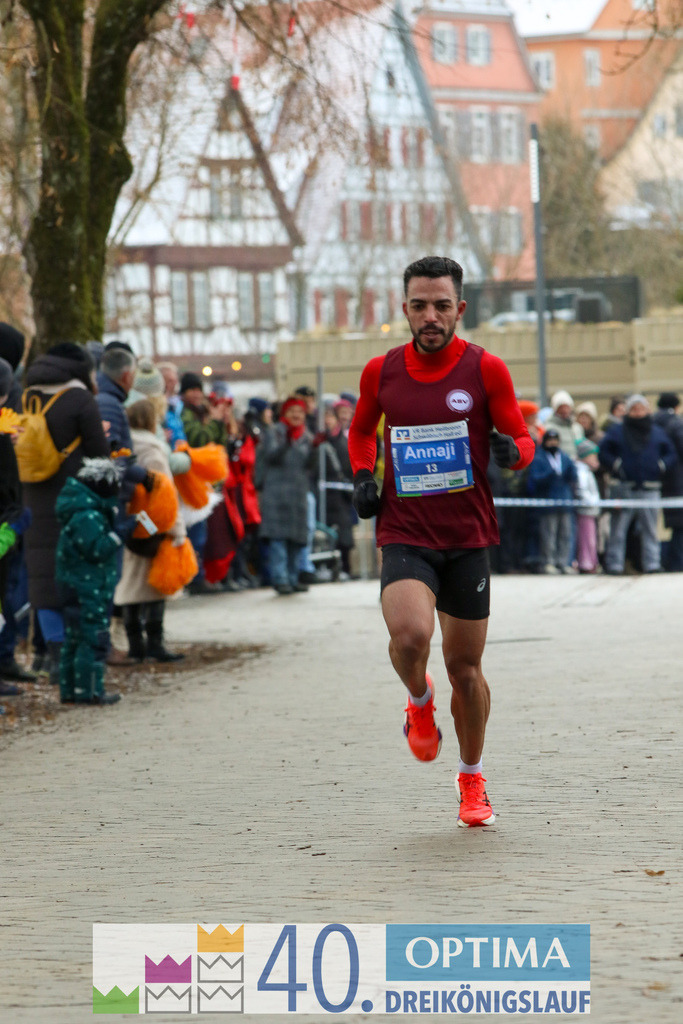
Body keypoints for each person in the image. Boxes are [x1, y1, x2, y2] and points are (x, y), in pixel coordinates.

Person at [349, 256, 534, 828]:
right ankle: (419, 702)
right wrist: (364, 474)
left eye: (442, 305)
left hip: (468, 535)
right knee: (409, 638)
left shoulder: (486, 370)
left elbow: (522, 438)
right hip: (405, 532)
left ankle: (472, 777)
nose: (431, 316)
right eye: (419, 305)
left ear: (460, 308)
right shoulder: (381, 372)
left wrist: (513, 454)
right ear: (404, 308)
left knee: (466, 670)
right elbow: (360, 432)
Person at [21, 343, 110, 685]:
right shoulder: (80, 400)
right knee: (76, 576)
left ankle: (54, 656)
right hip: (73, 499)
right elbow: (99, 459)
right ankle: (75, 656)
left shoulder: (27, 396)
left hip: (32, 497)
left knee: (41, 577)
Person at [115, 400, 186, 662]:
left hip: (131, 521)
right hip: (154, 524)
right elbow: (167, 493)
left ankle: (135, 646)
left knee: (131, 585)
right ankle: (155, 644)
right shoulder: (155, 450)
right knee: (156, 586)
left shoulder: (125, 446)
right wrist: (178, 531)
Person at [55, 458, 123, 704]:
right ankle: (90, 692)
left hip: (77, 584)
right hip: (86, 586)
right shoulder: (87, 515)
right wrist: (118, 536)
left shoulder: (82, 509)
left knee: (75, 637)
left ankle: (70, 692)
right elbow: (96, 549)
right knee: (91, 638)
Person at [599, 394, 677, 575]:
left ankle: (652, 564)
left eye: (641, 408)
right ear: (628, 411)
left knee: (650, 529)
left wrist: (661, 466)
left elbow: (670, 454)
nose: (638, 412)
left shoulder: (657, 432)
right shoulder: (617, 431)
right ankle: (615, 564)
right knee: (618, 530)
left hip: (650, 488)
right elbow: (604, 452)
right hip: (624, 488)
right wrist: (617, 465)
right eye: (634, 409)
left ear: (647, 410)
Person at [256, 396, 315, 595]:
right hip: (276, 494)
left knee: (296, 540)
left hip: (298, 494)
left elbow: (310, 465)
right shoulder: (274, 433)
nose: (296, 415)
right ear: (284, 414)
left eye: (299, 412)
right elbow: (271, 456)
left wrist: (318, 448)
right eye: (292, 412)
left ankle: (292, 577)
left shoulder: (307, 436)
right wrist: (286, 442)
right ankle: (280, 579)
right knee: (278, 539)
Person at [527, 429, 578, 574]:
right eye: (550, 440)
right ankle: (548, 561)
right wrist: (551, 474)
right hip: (548, 502)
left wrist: (570, 472)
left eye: (555, 440)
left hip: (565, 500)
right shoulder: (540, 457)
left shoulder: (564, 456)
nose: (553, 443)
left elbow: (573, 476)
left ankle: (563, 562)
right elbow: (536, 479)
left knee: (565, 534)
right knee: (548, 534)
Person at [653, 392, 683, 572]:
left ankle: (663, 560)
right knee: (680, 526)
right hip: (678, 481)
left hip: (657, 478)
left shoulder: (652, 422)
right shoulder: (676, 423)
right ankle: (677, 563)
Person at [573, 438, 601, 573]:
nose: (596, 460)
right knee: (586, 538)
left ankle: (591, 561)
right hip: (585, 510)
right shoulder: (582, 471)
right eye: (593, 456)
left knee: (591, 538)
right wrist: (592, 501)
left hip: (590, 510)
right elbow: (582, 490)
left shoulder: (587, 471)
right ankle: (586, 563)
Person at [545, 390, 584, 459]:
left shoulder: (577, 427)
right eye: (561, 407)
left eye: (567, 407)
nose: (564, 410)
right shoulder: (549, 428)